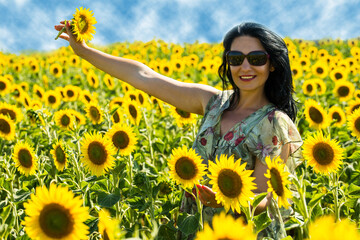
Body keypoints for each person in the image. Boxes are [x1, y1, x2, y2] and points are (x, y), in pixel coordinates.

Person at [54, 21, 302, 239]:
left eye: (256, 58)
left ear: (272, 64)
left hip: (241, 234)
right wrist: (84, 51)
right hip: (197, 228)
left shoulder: (274, 123)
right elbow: (144, 76)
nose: (245, 67)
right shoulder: (213, 103)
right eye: (236, 59)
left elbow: (262, 199)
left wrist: (221, 198)